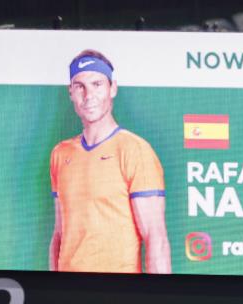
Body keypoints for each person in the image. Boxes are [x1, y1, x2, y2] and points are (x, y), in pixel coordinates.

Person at [49, 49, 171, 274]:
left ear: (112, 88)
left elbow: (156, 237)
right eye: (80, 87)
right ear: (71, 92)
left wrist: (160, 301)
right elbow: (59, 233)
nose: (88, 96)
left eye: (97, 84)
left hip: (117, 294)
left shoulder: (135, 150)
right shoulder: (60, 153)